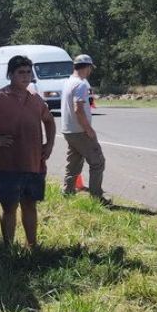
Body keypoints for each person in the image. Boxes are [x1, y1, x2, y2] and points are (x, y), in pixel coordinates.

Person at [0, 55, 55, 249]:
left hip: (34, 163)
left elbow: (49, 120)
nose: (25, 76)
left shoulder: (35, 98)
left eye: (28, 72)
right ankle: (7, 248)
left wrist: (49, 145)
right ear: (10, 75)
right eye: (20, 72)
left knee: (30, 205)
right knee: (9, 208)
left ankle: (32, 245)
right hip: (7, 165)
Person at [60, 54, 107, 203]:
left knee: (74, 162)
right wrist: (88, 129)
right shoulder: (80, 84)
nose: (90, 71)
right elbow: (78, 109)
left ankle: (67, 191)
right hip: (80, 131)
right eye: (90, 68)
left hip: (68, 130)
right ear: (87, 67)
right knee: (97, 162)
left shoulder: (68, 82)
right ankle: (96, 197)